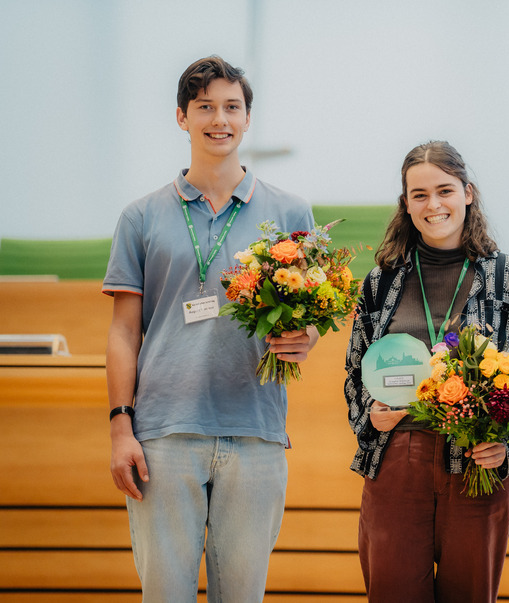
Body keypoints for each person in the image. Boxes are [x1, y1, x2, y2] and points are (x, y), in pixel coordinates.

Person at [104, 55, 318, 602]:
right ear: (182, 117)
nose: (218, 119)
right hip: (163, 436)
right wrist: (120, 429)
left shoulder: (292, 213)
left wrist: (305, 340)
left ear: (248, 118)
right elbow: (124, 333)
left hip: (256, 432)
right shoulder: (141, 217)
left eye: (231, 107)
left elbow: (309, 326)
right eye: (205, 107)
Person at [344, 141, 509, 602]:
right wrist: (370, 414)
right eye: (419, 195)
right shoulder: (381, 281)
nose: (434, 205)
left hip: (477, 462)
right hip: (396, 459)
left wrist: (505, 444)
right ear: (406, 204)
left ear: (468, 193)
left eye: (445, 190)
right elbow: (355, 371)